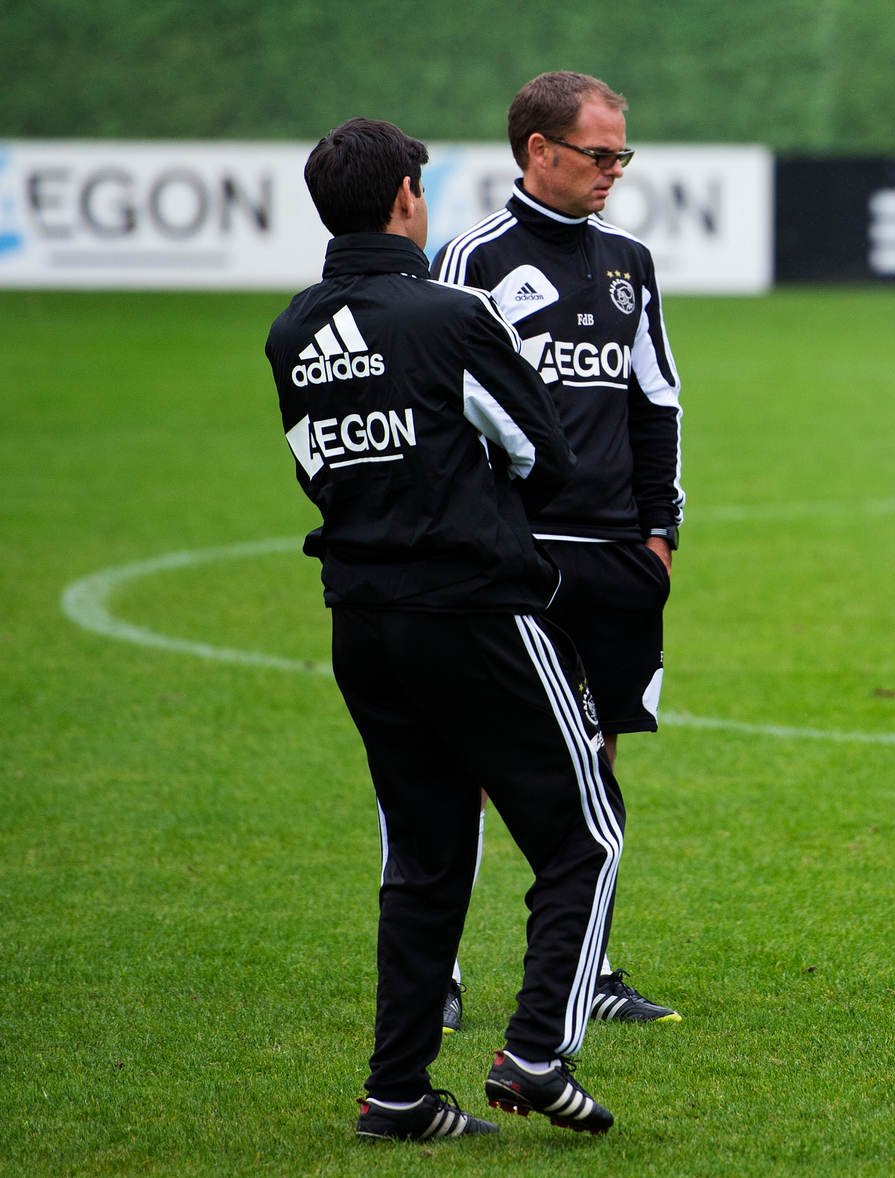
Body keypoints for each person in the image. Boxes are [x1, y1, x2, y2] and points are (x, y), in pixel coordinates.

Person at [268, 117, 619, 1138]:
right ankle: (536, 1051)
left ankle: (399, 1094)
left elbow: (317, 460)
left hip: (360, 621)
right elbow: (538, 451)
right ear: (405, 202)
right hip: (471, 610)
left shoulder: (291, 329)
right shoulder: (449, 316)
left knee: (424, 857)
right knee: (582, 833)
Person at [431, 71, 683, 1030]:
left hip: (617, 555)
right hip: (514, 556)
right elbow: (443, 408)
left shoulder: (630, 259)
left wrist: (661, 531)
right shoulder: (473, 259)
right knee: (480, 759)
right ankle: (442, 970)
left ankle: (597, 967)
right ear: (539, 150)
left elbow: (655, 398)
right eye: (600, 153)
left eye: (623, 154)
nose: (615, 170)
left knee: (600, 755)